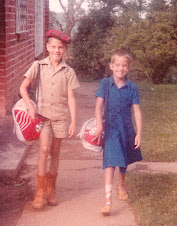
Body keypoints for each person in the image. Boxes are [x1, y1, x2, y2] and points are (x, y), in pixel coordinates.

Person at [19, 30, 80, 209]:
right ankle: (39, 192)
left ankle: (51, 189)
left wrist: (74, 121)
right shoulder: (38, 65)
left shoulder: (68, 71)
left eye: (60, 47)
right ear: (47, 48)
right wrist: (30, 106)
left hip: (60, 118)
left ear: (65, 49)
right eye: (53, 47)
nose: (56, 50)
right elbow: (23, 88)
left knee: (55, 152)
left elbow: (71, 98)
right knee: (43, 149)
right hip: (42, 117)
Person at [93, 49, 143, 216]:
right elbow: (99, 106)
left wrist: (139, 133)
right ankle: (107, 201)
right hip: (111, 129)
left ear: (128, 68)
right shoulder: (105, 84)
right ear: (111, 66)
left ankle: (121, 185)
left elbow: (136, 111)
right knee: (110, 163)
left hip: (126, 129)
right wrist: (99, 125)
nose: (121, 68)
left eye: (124, 66)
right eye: (117, 65)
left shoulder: (132, 87)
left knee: (123, 160)